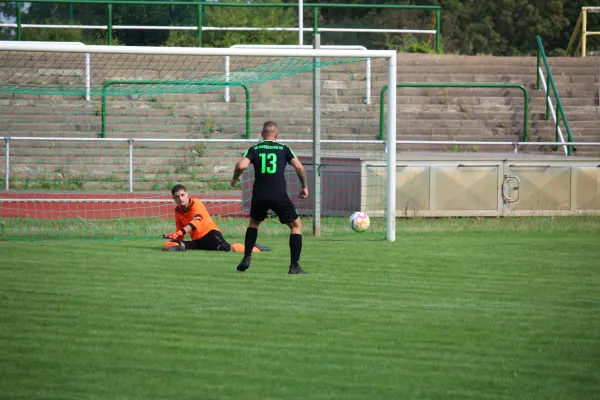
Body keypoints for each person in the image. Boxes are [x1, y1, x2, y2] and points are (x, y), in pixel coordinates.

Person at [230, 121, 308, 274]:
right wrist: (304, 186)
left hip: (259, 194)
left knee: (253, 223)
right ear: (276, 134)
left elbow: (241, 166)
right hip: (279, 194)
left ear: (262, 134)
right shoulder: (284, 148)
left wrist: (235, 178)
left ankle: (246, 257)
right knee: (296, 226)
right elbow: (299, 167)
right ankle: (294, 266)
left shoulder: (255, 149)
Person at [162, 184, 270, 253]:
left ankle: (254, 248)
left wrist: (179, 232)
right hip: (197, 240)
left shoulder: (196, 203)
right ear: (173, 198)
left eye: (182, 195)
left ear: (187, 195)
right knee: (170, 245)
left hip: (211, 234)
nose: (180, 198)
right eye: (177, 196)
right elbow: (180, 228)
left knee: (226, 249)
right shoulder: (178, 210)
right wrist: (176, 238)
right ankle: (179, 247)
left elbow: (196, 222)